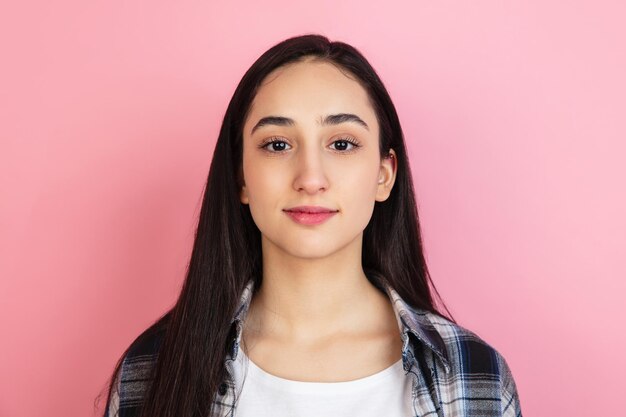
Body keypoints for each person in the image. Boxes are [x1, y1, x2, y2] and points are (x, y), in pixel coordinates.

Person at [101, 34, 522, 417]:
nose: (310, 177)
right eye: (277, 145)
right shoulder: (152, 371)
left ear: (384, 175)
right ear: (241, 177)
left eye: (342, 144)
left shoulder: (474, 375)